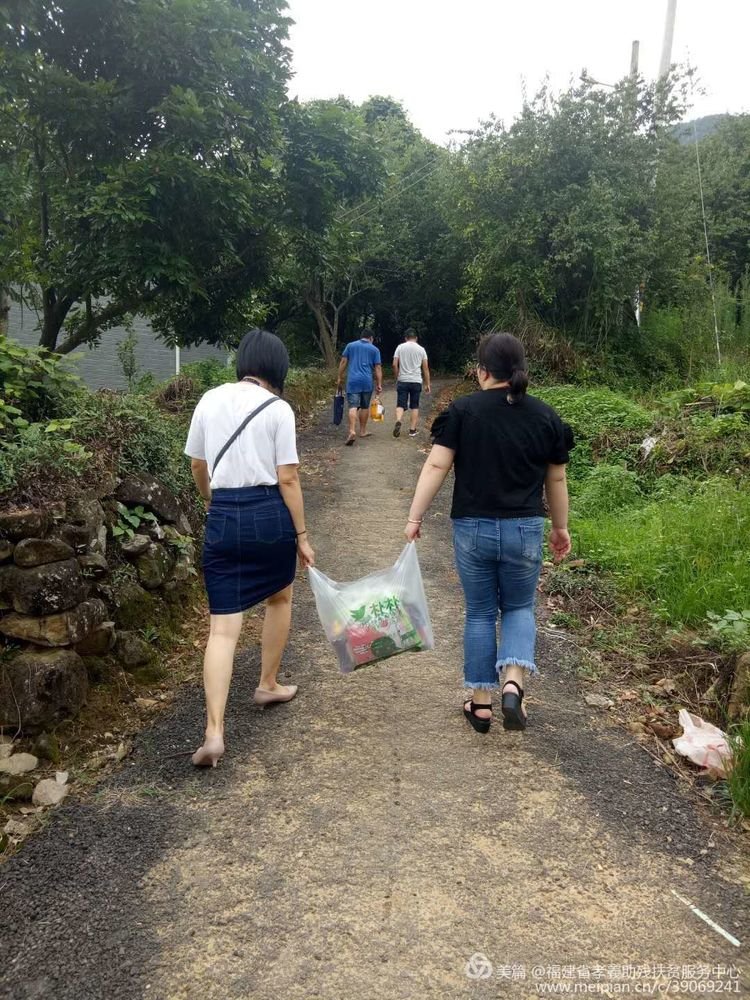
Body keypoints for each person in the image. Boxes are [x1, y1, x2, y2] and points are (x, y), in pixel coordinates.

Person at [404, 332, 572, 734]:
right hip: (525, 529)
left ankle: (480, 705)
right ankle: (513, 682)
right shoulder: (545, 416)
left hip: (472, 528)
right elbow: (558, 478)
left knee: (480, 612)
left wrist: (415, 517)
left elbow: (436, 467)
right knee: (518, 608)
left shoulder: (463, 411)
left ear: (481, 371)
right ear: (521, 370)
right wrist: (561, 528)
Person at [184, 329, 315, 767]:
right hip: (268, 514)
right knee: (280, 596)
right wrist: (301, 536)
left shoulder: (208, 399)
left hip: (223, 514)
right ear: (277, 368)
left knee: (222, 629)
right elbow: (289, 478)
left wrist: (210, 499)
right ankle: (268, 683)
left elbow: (198, 465)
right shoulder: (279, 409)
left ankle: (214, 731)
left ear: (242, 363)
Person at [336, 330, 383, 446]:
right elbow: (378, 368)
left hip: (353, 381)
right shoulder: (374, 349)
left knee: (353, 406)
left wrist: (339, 377)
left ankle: (352, 431)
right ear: (371, 338)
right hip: (366, 381)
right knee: (364, 407)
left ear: (361, 337)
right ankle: (362, 431)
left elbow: (343, 362)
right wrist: (379, 383)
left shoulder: (350, 346)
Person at [393, 329, 431, 438]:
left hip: (403, 380)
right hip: (416, 381)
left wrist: (397, 377)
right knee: (415, 405)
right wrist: (427, 384)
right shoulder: (421, 349)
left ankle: (399, 420)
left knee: (400, 404)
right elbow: (425, 368)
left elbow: (394, 365)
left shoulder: (400, 347)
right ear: (416, 338)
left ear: (405, 338)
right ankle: (412, 430)